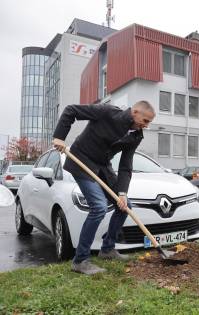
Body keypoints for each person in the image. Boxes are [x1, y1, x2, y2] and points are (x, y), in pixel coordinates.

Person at [52, 101, 155, 275]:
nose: (146, 125)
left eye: (148, 122)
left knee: (125, 206)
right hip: (81, 161)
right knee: (98, 207)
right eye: (145, 120)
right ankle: (80, 260)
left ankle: (107, 249)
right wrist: (59, 137)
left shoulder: (136, 135)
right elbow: (71, 111)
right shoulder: (107, 112)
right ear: (135, 112)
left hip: (102, 167)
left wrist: (122, 193)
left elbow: (125, 165)